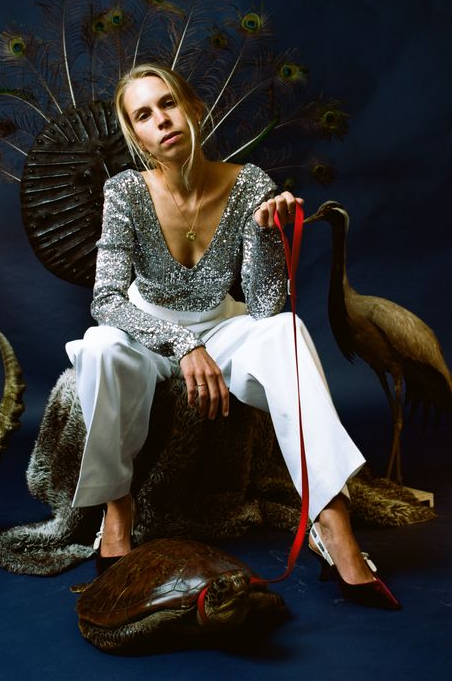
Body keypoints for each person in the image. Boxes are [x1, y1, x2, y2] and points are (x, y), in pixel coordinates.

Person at [65, 63, 400, 609]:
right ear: (137, 137)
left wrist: (267, 235)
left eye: (168, 103)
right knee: (99, 346)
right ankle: (117, 508)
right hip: (147, 334)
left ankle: (332, 524)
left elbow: (265, 307)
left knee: (286, 330)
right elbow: (106, 299)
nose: (161, 120)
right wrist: (182, 343)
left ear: (193, 108)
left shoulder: (250, 185)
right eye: (143, 115)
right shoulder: (124, 192)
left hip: (224, 325)